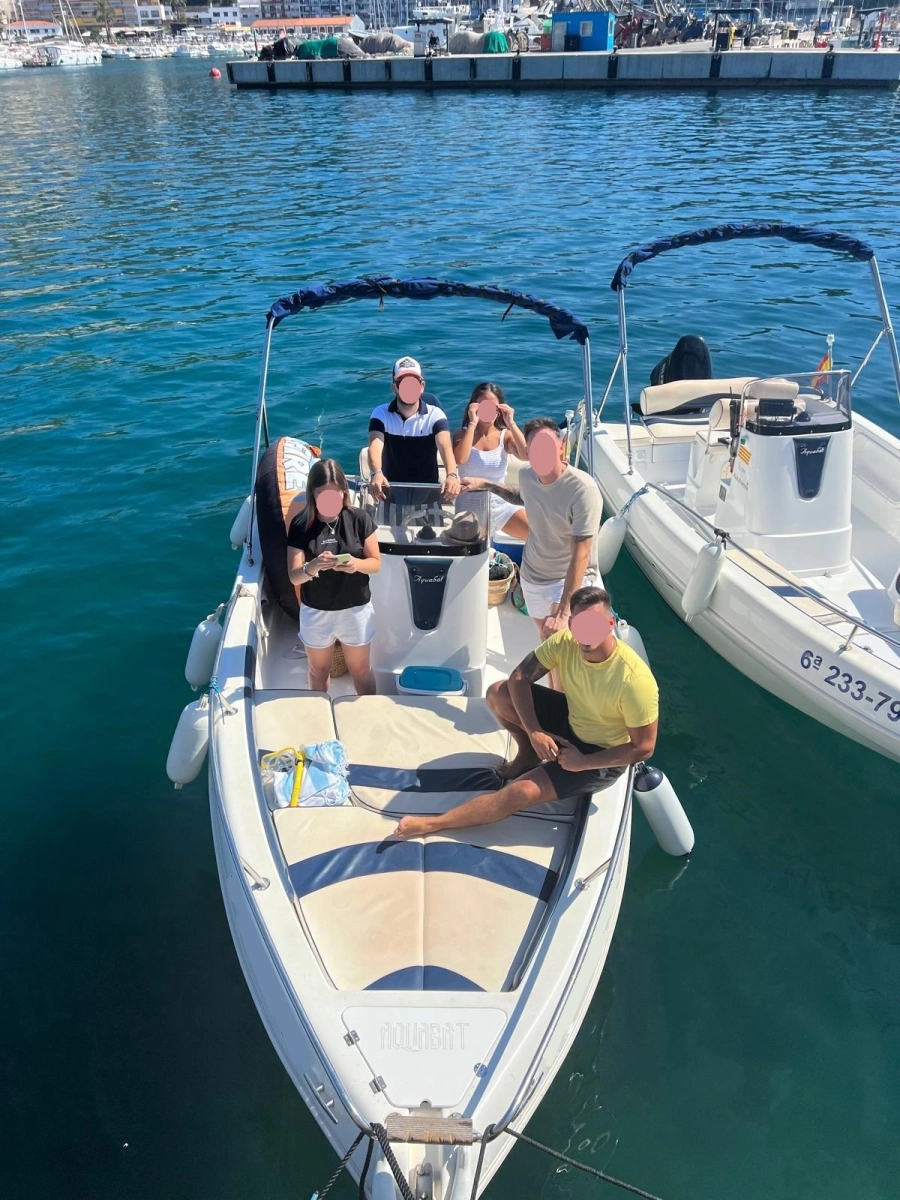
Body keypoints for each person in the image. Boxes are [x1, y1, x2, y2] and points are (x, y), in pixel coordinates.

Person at [393, 587, 658, 838]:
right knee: (498, 693)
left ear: (610, 624)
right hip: (571, 718)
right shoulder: (565, 642)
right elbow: (519, 677)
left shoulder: (634, 680)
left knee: (518, 794)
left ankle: (433, 823)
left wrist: (582, 762)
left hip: (599, 754)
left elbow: (643, 748)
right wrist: (534, 732)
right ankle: (529, 753)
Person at [461, 416, 602, 643]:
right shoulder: (527, 474)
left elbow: (582, 553)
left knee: (562, 642)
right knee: (546, 641)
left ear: (561, 446)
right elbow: (521, 495)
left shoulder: (582, 490)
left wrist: (563, 611)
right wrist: (484, 484)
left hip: (567, 579)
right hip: (532, 577)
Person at [287, 458, 380, 695]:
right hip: (316, 612)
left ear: (344, 492)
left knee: (361, 670)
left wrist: (356, 564)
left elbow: (375, 563)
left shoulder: (359, 518)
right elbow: (294, 577)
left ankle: (369, 713)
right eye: (322, 494)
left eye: (335, 493)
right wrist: (313, 566)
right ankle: (319, 713)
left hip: (355, 610)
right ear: (312, 493)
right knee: (318, 671)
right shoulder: (300, 525)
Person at [368, 356, 461, 508]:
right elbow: (375, 447)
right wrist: (377, 473)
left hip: (428, 495)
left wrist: (452, 475)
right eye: (402, 383)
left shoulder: (435, 415)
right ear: (394, 387)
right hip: (389, 494)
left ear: (422, 386)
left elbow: (445, 447)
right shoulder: (381, 414)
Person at [452, 382, 528, 541]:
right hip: (469, 508)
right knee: (471, 551)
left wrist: (511, 423)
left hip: (501, 505)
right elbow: (460, 459)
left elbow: (525, 455)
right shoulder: (462, 434)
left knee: (539, 535)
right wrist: (472, 423)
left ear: (499, 410)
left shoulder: (505, 436)